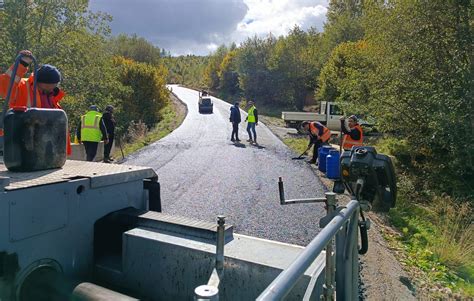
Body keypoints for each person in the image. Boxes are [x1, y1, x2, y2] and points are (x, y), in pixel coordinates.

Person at [0, 50, 71, 154]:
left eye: (53, 87)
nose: (50, 90)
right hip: (24, 146)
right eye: (45, 88)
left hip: (47, 148)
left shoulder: (53, 97)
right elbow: (5, 86)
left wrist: (63, 152)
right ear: (37, 81)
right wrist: (22, 64)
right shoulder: (22, 87)